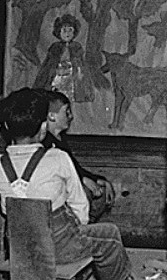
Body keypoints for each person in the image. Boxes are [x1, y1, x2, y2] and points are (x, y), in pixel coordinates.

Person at [0, 88, 134, 280]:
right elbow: (80, 205)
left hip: (19, 247)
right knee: (109, 235)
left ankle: (75, 276)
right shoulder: (57, 158)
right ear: (43, 127)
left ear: (7, 127)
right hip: (59, 244)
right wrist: (79, 229)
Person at [38, 89, 114, 223]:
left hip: (70, 186)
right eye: (66, 112)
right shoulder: (44, 142)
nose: (71, 116)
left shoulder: (60, 139)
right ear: (52, 116)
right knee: (84, 193)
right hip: (56, 194)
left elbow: (75, 167)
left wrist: (97, 180)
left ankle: (84, 225)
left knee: (101, 191)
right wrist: (83, 180)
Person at [33, 13, 95, 102]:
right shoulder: (55, 47)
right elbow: (49, 65)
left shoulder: (76, 47)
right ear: (59, 32)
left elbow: (80, 64)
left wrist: (77, 72)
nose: (67, 33)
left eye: (70, 30)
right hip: (58, 76)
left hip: (71, 77)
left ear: (74, 32)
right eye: (64, 30)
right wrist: (56, 70)